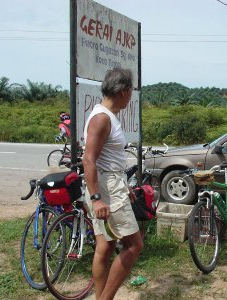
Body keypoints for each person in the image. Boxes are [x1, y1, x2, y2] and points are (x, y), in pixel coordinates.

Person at [82, 68, 143, 300]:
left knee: (105, 247)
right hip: (106, 188)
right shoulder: (101, 118)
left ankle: (100, 297)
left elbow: (109, 159)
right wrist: (97, 198)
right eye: (130, 91)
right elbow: (89, 159)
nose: (131, 96)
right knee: (134, 246)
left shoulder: (107, 116)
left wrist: (125, 185)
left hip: (112, 183)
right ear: (124, 91)